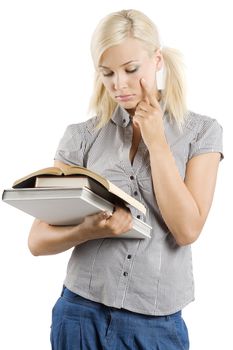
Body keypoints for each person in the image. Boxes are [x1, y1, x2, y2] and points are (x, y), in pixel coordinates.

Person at [28, 9, 224, 350]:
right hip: (79, 314)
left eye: (131, 70)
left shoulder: (201, 133)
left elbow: (187, 230)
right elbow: (38, 240)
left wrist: (157, 143)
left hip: (155, 325)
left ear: (157, 60)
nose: (119, 84)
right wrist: (90, 230)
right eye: (107, 73)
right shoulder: (82, 137)